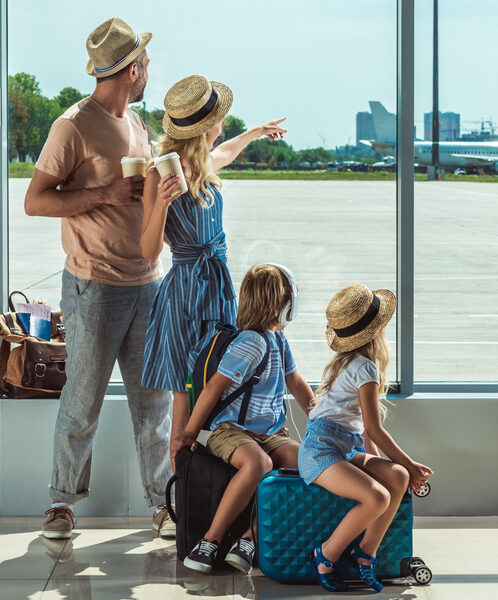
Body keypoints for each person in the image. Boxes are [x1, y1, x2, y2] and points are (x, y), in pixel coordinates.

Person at [24, 17, 174, 540]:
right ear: (133, 69)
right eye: (147, 63)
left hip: (149, 283)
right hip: (95, 285)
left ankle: (164, 503)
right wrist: (104, 196)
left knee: (154, 402)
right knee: (82, 398)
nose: (150, 70)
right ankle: (62, 501)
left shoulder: (137, 124)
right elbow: (35, 200)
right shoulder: (72, 125)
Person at [137, 75, 285, 446]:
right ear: (206, 127)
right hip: (186, 291)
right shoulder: (159, 174)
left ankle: (215, 472)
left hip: (216, 288)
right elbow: (149, 252)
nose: (223, 126)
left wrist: (254, 132)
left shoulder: (206, 163)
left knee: (216, 378)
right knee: (184, 390)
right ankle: (179, 486)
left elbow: (228, 151)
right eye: (220, 119)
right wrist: (161, 204)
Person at [175, 265, 314, 574]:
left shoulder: (278, 340)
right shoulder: (250, 342)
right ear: (280, 303)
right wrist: (189, 433)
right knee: (259, 464)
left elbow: (296, 382)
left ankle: (250, 536)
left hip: (269, 432)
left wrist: (317, 417)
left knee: (304, 462)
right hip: (231, 430)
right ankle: (209, 542)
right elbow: (213, 389)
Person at [299, 284, 433, 592]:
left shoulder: (349, 363)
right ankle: (325, 554)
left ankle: (365, 553)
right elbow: (374, 428)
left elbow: (361, 431)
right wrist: (411, 464)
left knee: (396, 476)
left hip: (345, 447)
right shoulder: (366, 369)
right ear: (377, 332)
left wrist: (396, 467)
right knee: (378, 496)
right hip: (321, 452)